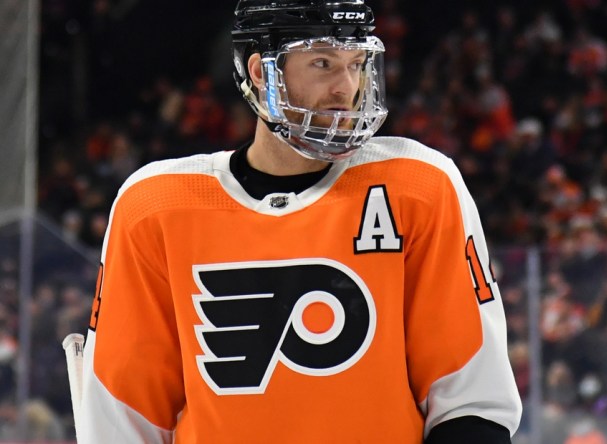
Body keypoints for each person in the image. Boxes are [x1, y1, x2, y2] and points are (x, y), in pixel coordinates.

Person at [77, 1, 522, 442]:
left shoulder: (420, 185)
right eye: (323, 62)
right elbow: (122, 416)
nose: (345, 87)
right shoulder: (154, 206)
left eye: (357, 63)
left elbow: (470, 401)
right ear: (260, 72)